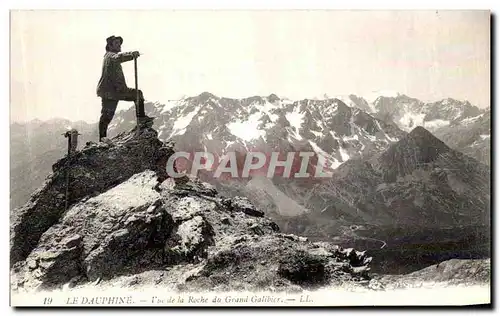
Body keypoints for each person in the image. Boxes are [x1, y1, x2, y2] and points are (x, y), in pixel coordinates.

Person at [96, 35, 153, 143]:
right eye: (116, 43)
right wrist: (131, 55)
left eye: (119, 43)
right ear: (110, 45)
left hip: (117, 91)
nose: (119, 45)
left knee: (137, 94)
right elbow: (119, 57)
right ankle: (102, 138)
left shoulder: (110, 57)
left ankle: (141, 119)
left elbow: (119, 57)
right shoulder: (110, 56)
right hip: (111, 92)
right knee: (107, 115)